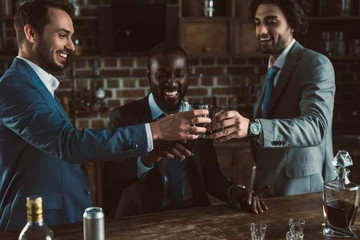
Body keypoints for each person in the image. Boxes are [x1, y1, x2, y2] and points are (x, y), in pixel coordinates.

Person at [0, 1, 210, 232]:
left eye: (71, 37)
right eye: (62, 35)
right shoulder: (14, 86)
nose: (70, 45)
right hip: (32, 227)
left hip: (58, 221)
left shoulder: (36, 85)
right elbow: (68, 143)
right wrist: (156, 130)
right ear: (31, 33)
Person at [103, 42, 268, 217]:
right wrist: (147, 157)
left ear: (188, 75)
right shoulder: (124, 117)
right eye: (162, 75)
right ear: (148, 75)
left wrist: (233, 190)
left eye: (179, 74)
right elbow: (112, 178)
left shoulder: (200, 117)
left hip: (193, 217)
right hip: (143, 219)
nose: (172, 83)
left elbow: (210, 176)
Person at [209, 0, 336, 198]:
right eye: (258, 22)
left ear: (292, 24)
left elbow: (315, 126)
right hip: (268, 188)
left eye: (272, 22)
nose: (262, 30)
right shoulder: (273, 67)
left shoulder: (315, 63)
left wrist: (253, 127)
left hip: (302, 191)